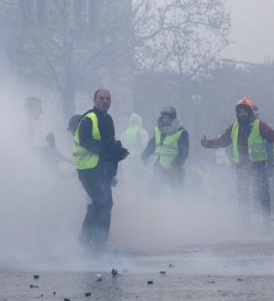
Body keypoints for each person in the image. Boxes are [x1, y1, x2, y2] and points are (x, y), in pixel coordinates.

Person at [200, 98, 274, 221]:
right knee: (243, 196)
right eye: (240, 112)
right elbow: (222, 141)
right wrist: (207, 143)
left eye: (245, 111)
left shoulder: (260, 125)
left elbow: (272, 136)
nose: (242, 114)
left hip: (258, 166)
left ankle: (265, 221)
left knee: (263, 194)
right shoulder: (234, 127)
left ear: (250, 112)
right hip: (241, 167)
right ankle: (245, 222)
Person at [73, 89, 129, 250]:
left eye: (108, 98)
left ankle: (87, 242)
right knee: (104, 203)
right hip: (88, 169)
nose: (105, 101)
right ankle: (96, 244)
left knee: (100, 204)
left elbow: (108, 144)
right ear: (94, 100)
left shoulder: (107, 119)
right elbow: (85, 141)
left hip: (101, 169)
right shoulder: (89, 118)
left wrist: (117, 152)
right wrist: (110, 151)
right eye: (101, 98)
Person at [141, 106, 189, 196]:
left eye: (168, 118)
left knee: (177, 195)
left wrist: (174, 165)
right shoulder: (158, 130)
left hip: (174, 170)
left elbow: (184, 153)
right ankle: (151, 209)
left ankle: (180, 210)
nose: (165, 120)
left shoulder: (181, 132)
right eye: (164, 117)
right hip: (159, 167)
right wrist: (144, 156)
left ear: (173, 119)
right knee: (152, 193)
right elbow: (152, 144)